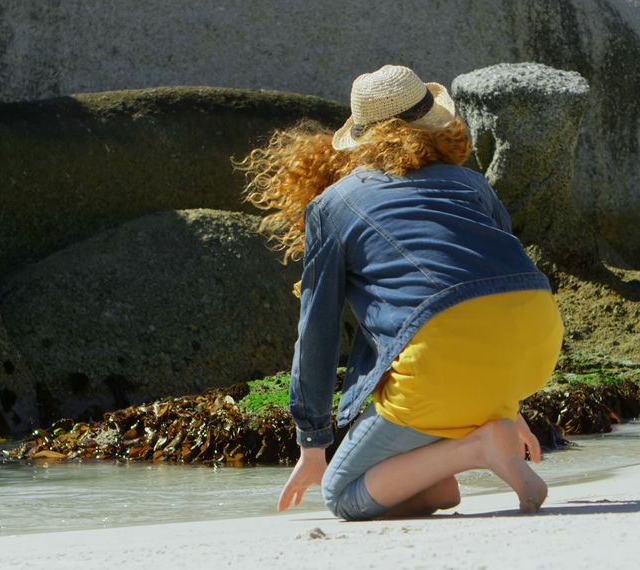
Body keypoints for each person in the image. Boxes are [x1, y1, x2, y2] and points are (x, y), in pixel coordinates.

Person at [239, 64, 564, 520]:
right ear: (433, 124)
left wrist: (312, 444)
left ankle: (478, 450)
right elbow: (497, 282)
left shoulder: (332, 205)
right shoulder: (471, 183)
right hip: (538, 336)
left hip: (442, 354)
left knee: (343, 494)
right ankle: (471, 450)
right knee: (435, 493)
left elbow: (318, 330)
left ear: (362, 138)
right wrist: (509, 406)